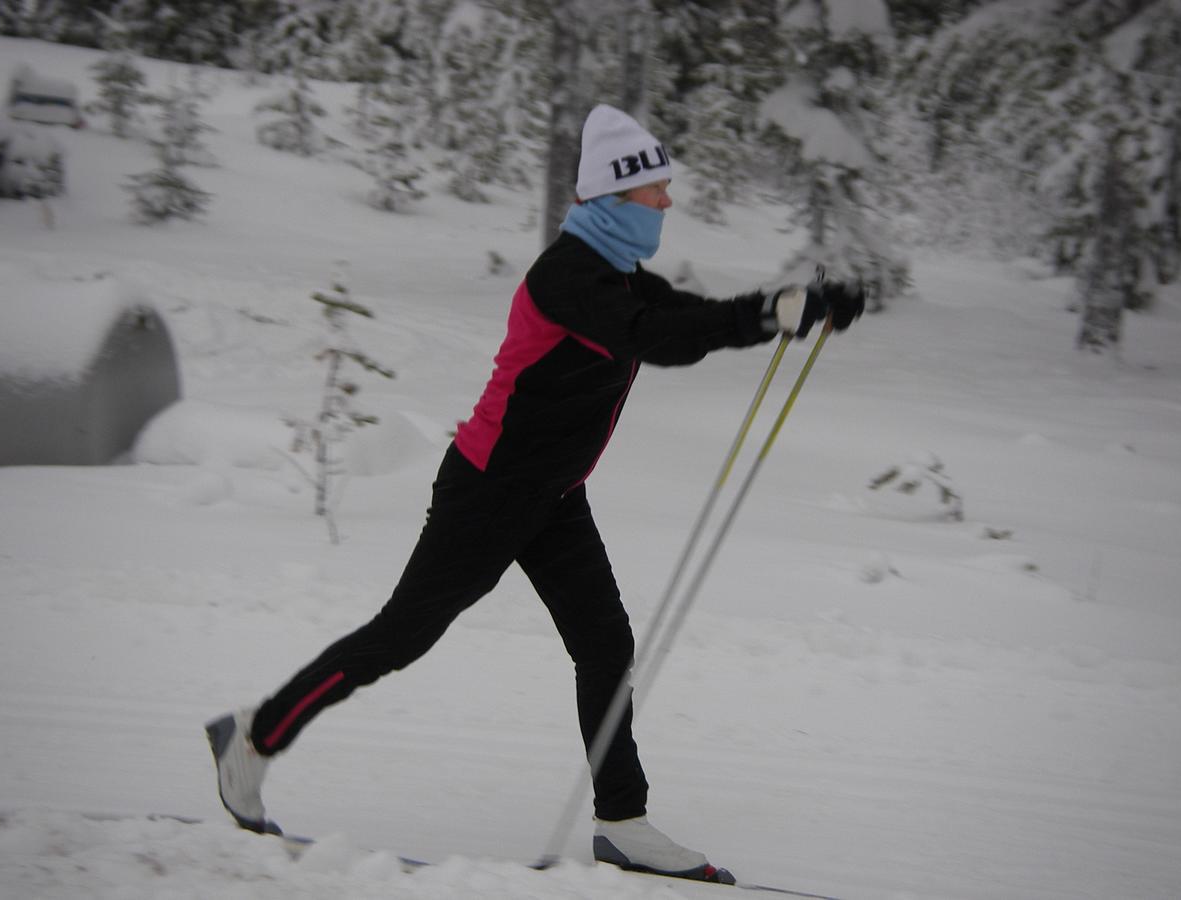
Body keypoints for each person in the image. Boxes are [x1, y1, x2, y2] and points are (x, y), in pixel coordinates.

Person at [206, 103, 864, 877]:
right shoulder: (567, 278)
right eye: (657, 191)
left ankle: (622, 821)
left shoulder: (616, 273)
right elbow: (659, 339)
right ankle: (254, 735)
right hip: (489, 491)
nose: (668, 203)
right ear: (619, 196)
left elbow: (688, 314)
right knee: (401, 636)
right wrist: (773, 316)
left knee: (604, 642)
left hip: (553, 495)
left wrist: (782, 310)